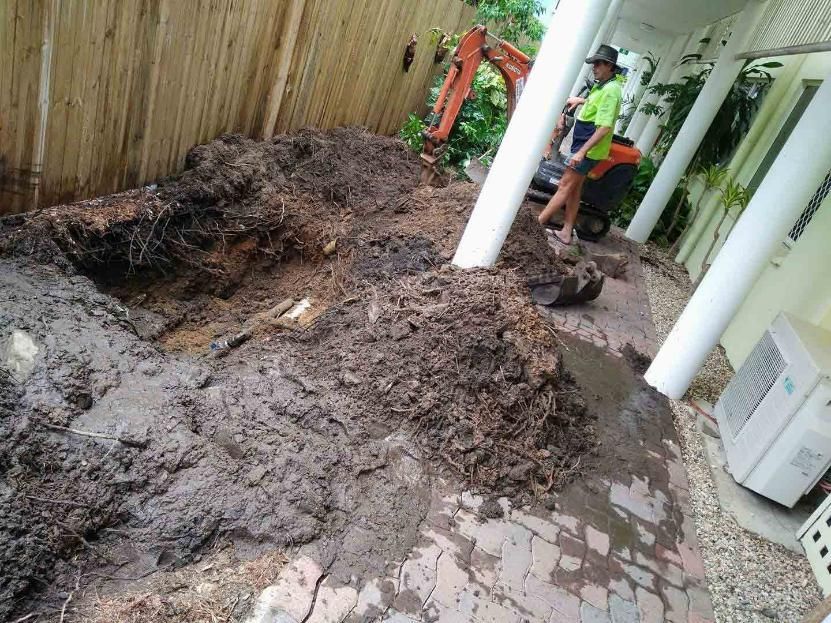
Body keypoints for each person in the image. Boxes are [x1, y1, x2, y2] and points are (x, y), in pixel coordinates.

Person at [537, 44, 623, 244]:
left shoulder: (611, 90)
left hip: (588, 150)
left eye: (598, 64)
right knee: (574, 190)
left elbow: (604, 127)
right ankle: (566, 231)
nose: (594, 67)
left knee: (565, 185)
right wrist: (580, 100)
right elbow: (597, 104)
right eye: (594, 63)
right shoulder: (603, 86)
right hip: (583, 146)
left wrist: (581, 153)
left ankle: (537, 223)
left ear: (610, 66)